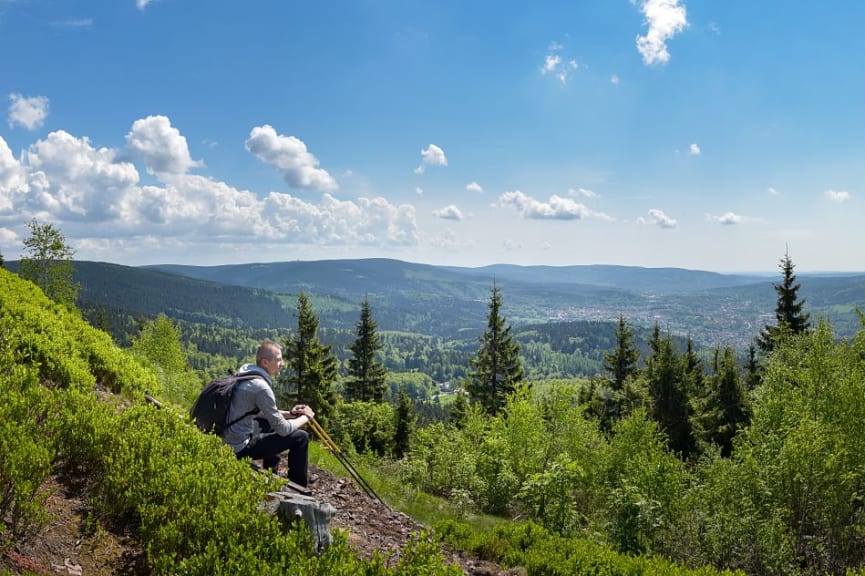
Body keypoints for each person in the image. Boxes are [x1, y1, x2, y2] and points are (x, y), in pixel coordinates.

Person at [222, 339, 315, 486]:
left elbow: (258, 412)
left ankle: (271, 473)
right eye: (278, 360)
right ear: (265, 362)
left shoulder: (246, 375)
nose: (282, 363)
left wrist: (289, 414)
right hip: (238, 448)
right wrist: (306, 417)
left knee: (268, 422)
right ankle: (298, 488)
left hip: (226, 438)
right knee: (301, 438)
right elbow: (283, 430)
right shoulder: (261, 387)